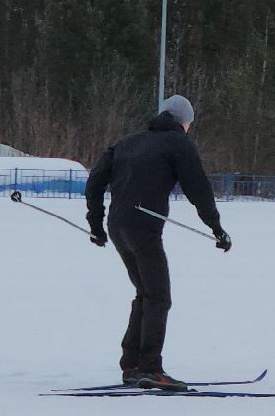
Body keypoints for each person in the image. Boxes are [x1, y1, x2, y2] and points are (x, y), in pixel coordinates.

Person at [85, 94, 231, 390]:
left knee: (146, 293)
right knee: (159, 297)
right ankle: (150, 367)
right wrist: (216, 228)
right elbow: (199, 189)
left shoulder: (126, 142)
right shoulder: (179, 143)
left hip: (118, 226)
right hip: (144, 227)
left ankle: (132, 365)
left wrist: (97, 225)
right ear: (183, 122)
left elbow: (95, 181)